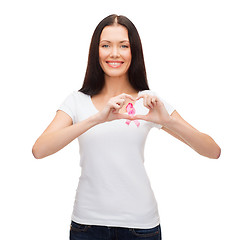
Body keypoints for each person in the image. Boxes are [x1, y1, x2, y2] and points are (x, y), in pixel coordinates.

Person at [32, 14, 221, 240]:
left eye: (123, 46)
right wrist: (97, 118)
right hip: (87, 226)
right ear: (96, 51)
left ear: (134, 52)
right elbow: (39, 150)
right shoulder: (76, 101)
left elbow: (212, 151)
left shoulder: (147, 102)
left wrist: (167, 120)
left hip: (140, 226)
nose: (114, 53)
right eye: (106, 45)